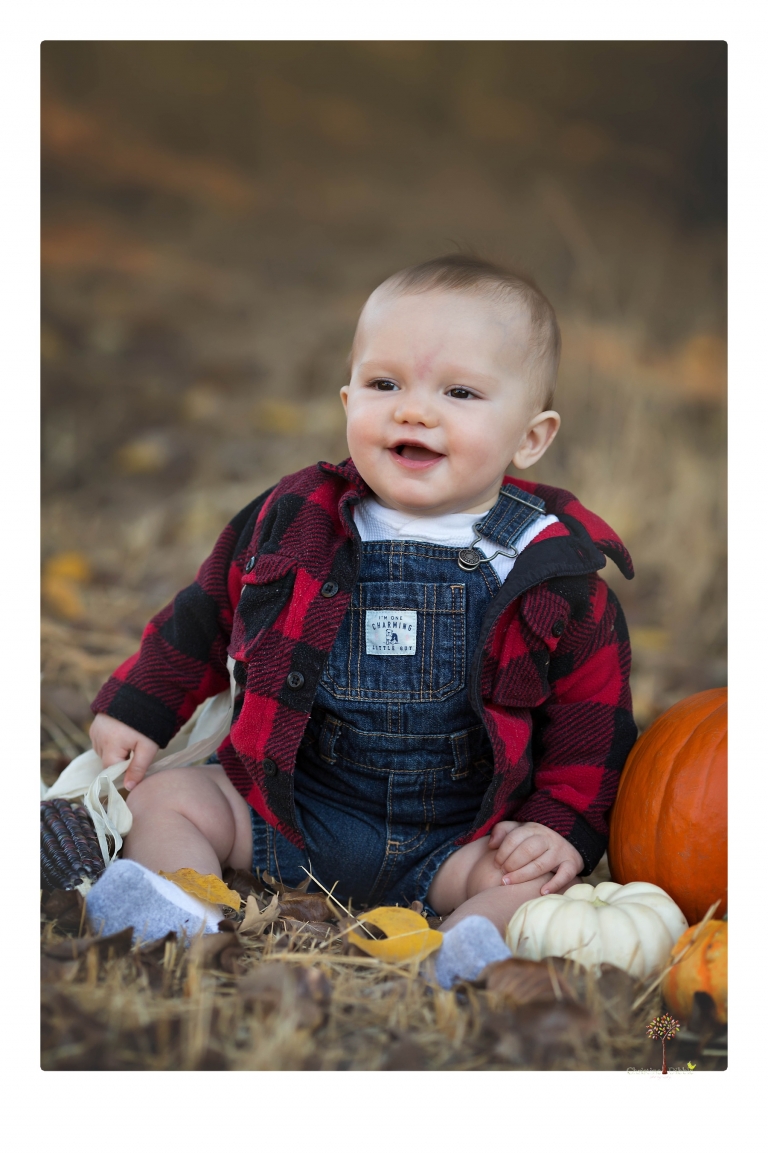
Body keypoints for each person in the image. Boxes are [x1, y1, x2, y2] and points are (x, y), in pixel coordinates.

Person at [85, 254, 636, 984]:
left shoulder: (552, 573)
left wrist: (557, 828)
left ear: (531, 437)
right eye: (385, 385)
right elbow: (206, 612)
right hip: (289, 810)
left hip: (458, 840)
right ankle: (177, 915)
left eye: (461, 392)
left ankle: (467, 954)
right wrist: (140, 706)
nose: (413, 410)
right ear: (348, 401)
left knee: (534, 882)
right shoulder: (294, 519)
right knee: (169, 799)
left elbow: (592, 726)